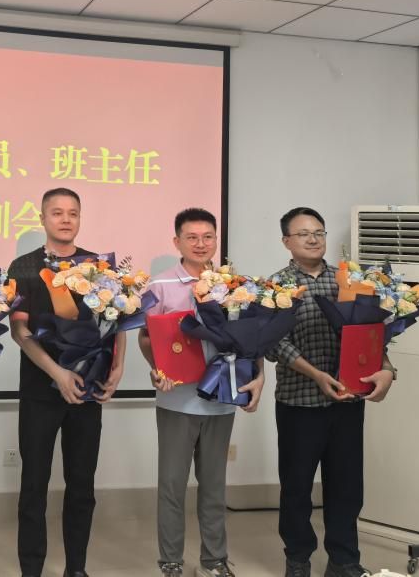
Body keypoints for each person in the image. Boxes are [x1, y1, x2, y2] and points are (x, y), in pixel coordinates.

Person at [267, 207, 397, 577]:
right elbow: (274, 343)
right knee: (296, 488)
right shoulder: (276, 287)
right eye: (303, 233)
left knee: (347, 487)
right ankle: (298, 558)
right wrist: (316, 375)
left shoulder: (350, 280)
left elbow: (371, 335)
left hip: (348, 401)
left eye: (319, 232)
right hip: (299, 402)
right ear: (286, 241)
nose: (313, 239)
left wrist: (387, 370)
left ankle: (344, 560)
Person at [139, 208, 264, 577]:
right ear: (176, 241)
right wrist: (158, 368)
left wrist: (259, 376)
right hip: (177, 400)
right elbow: (147, 337)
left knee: (214, 487)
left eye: (208, 237)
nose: (200, 243)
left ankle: (214, 561)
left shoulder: (234, 284)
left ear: (216, 240)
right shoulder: (161, 285)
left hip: (222, 400)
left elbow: (252, 337)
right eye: (191, 237)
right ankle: (171, 561)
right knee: (172, 485)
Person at [8, 188, 126, 577]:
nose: (65, 219)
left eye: (72, 213)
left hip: (86, 392)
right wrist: (56, 373)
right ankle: (31, 569)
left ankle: (77, 567)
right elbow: (20, 332)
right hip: (40, 392)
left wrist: (118, 367)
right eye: (56, 212)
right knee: (33, 486)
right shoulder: (24, 267)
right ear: (42, 218)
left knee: (81, 486)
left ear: (79, 219)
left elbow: (116, 320)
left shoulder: (98, 267)